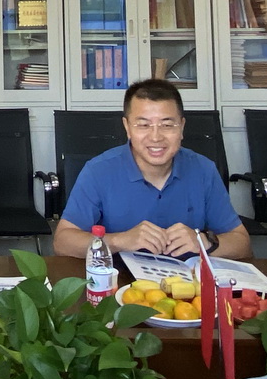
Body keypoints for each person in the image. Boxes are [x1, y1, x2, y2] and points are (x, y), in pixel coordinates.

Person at [54, 78, 252, 259]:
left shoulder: (203, 169)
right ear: (127, 127)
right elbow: (63, 242)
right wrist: (118, 241)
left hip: (187, 282)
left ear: (181, 127)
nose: (156, 137)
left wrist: (204, 243)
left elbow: (241, 243)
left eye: (167, 125)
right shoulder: (98, 171)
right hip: (120, 280)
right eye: (143, 125)